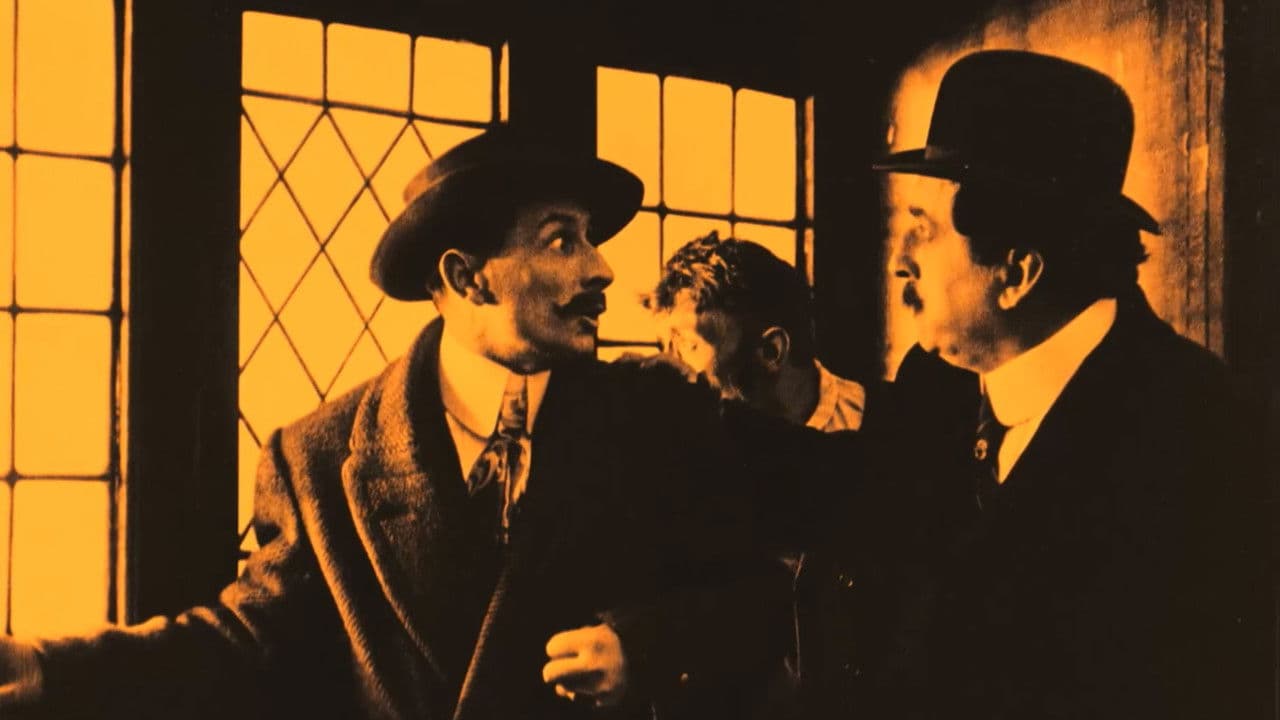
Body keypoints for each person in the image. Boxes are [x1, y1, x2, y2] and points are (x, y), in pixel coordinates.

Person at [0, 128, 784, 720]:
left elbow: (764, 597)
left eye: (591, 238)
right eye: (560, 240)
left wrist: (647, 646)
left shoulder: (659, 416)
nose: (601, 268)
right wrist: (51, 668)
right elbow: (242, 644)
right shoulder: (318, 458)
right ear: (465, 276)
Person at [867, 50, 1269, 719]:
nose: (898, 261)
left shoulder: (1212, 441)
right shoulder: (932, 384)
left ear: (1017, 272)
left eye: (923, 230)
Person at [649, 232, 868, 432]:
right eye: (667, 346)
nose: (670, 362)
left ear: (771, 351)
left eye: (687, 345)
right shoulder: (689, 439)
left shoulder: (879, 429)